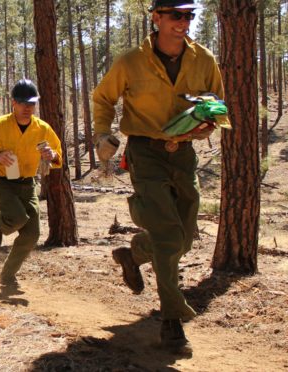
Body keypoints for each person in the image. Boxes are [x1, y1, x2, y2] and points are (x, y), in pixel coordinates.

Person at [91, 0, 225, 349]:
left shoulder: (204, 59)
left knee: (183, 239)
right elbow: (103, 98)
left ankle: (133, 253)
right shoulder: (131, 61)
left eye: (189, 16)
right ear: (156, 18)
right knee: (168, 235)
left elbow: (218, 102)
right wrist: (102, 132)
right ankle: (171, 320)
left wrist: (208, 123)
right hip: (146, 153)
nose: (183, 22)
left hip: (183, 155)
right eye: (175, 16)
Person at [0, 79, 62, 286]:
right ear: (13, 103)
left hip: (28, 183)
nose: (27, 108)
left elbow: (58, 157)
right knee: (18, 218)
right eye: (22, 103)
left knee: (32, 234)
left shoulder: (43, 129)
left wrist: (52, 154)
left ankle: (8, 275)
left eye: (31, 103)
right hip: (1, 181)